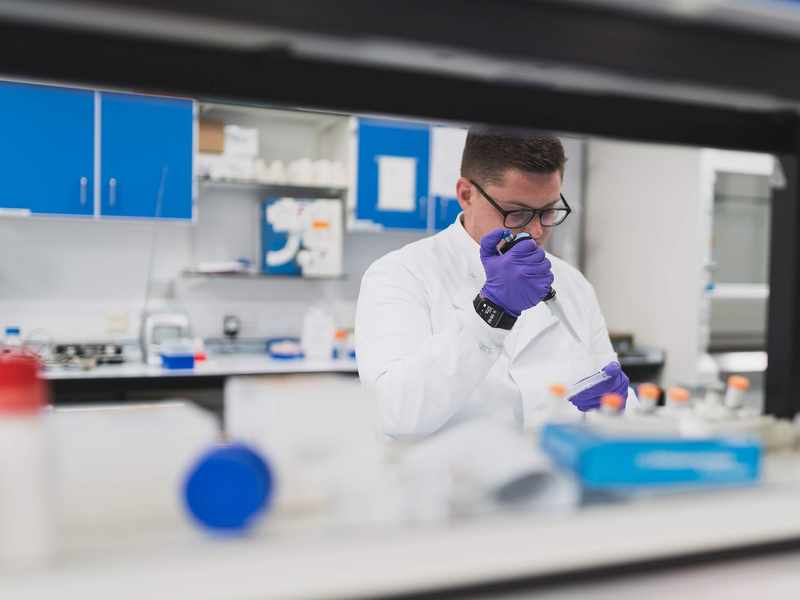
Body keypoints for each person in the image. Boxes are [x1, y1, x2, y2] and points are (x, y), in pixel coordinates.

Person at [355, 129, 632, 439]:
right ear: (466, 194)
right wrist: (492, 312)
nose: (537, 231)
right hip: (449, 471)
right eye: (518, 213)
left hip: (553, 467)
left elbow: (605, 395)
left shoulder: (573, 284)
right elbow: (394, 414)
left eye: (548, 211)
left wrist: (620, 410)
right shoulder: (400, 274)